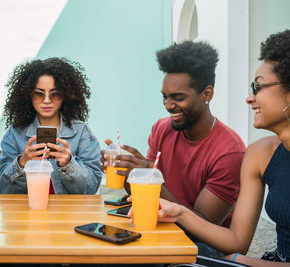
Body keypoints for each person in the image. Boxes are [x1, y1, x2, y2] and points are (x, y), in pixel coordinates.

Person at [157, 29, 290, 265]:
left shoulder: (231, 149)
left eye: (258, 87)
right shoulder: (260, 153)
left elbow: (238, 253)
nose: (249, 98)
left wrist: (242, 261)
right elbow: (237, 240)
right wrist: (178, 212)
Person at [101, 40, 246, 257]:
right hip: (160, 228)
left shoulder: (229, 152)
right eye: (165, 96)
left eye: (178, 98)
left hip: (202, 248)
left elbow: (201, 226)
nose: (168, 105)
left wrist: (150, 179)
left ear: (207, 94)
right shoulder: (162, 128)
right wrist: (130, 175)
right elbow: (147, 199)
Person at [0, 57, 102, 195]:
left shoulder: (81, 133)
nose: (46, 100)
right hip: (28, 214)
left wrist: (69, 164)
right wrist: (22, 162)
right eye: (39, 94)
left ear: (66, 96)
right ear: (28, 96)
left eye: (55, 94)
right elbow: (3, 189)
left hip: (68, 214)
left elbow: (91, 188)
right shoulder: (15, 134)